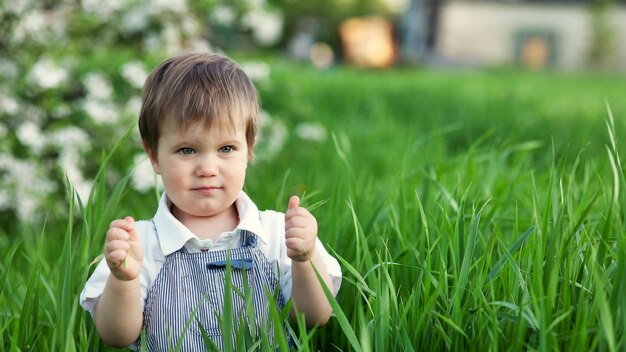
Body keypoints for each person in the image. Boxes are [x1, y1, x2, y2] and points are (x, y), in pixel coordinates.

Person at [79, 52, 342, 350]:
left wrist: (305, 259)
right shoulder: (141, 244)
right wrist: (124, 279)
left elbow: (315, 317)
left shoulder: (275, 234)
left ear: (249, 149)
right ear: (154, 156)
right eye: (187, 150)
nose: (207, 168)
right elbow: (116, 336)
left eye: (226, 148)